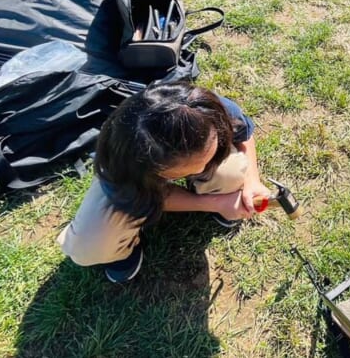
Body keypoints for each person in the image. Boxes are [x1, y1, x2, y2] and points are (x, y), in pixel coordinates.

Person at [57, 82, 272, 283]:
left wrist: (252, 181)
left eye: (209, 156)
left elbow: (244, 135)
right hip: (132, 184)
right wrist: (214, 203)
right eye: (194, 168)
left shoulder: (204, 110)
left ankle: (216, 190)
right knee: (87, 245)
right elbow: (141, 196)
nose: (202, 169)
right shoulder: (121, 164)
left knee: (232, 172)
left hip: (150, 174)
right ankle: (121, 251)